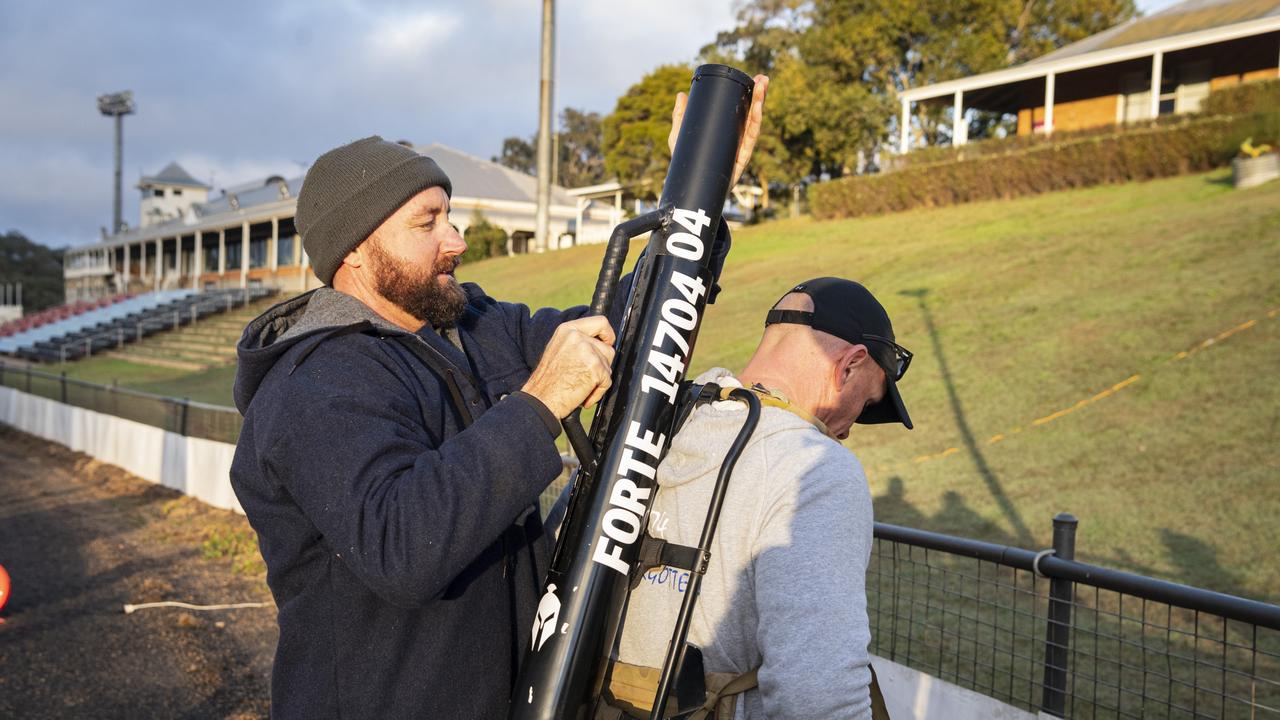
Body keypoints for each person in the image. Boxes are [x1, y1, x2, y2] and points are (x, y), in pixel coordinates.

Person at [230, 76, 768, 719]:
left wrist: (697, 197)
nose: (455, 240)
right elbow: (402, 546)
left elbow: (629, 330)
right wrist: (538, 402)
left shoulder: (471, 327)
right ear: (355, 250)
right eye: (427, 223)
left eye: (449, 217)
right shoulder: (314, 382)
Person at [614, 277, 913, 719]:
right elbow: (817, 694)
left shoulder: (650, 423)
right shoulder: (814, 466)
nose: (848, 429)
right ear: (849, 365)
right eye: (865, 403)